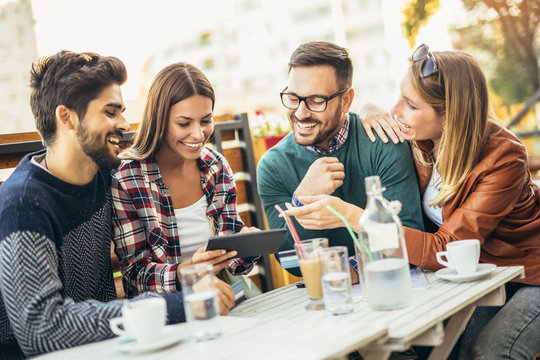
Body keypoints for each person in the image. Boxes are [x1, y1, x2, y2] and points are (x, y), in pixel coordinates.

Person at [0, 51, 235, 359]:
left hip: (113, 348)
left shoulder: (106, 175)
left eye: (122, 112)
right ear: (67, 117)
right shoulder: (24, 205)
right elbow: (41, 329)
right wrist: (184, 303)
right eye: (111, 113)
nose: (124, 123)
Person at [355, 45, 540, 359]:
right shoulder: (422, 140)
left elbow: (447, 247)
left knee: (493, 351)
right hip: (490, 272)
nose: (396, 110)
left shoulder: (503, 156)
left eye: (410, 104)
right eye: (398, 95)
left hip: (533, 274)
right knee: (454, 349)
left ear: (449, 115)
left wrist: (358, 219)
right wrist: (367, 108)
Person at [256, 41, 424, 276]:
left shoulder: (382, 143)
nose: (301, 113)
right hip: (329, 298)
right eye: (293, 98)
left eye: (316, 101)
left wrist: (352, 269)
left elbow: (409, 237)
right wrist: (303, 199)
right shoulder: (273, 166)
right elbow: (291, 262)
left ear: (346, 100)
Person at [111, 62, 261, 299]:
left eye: (205, 120)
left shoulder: (215, 166)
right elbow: (135, 275)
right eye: (184, 123)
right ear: (160, 120)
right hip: (168, 310)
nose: (199, 134)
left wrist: (247, 246)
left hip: (227, 296)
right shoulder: (126, 179)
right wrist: (184, 273)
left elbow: (235, 267)